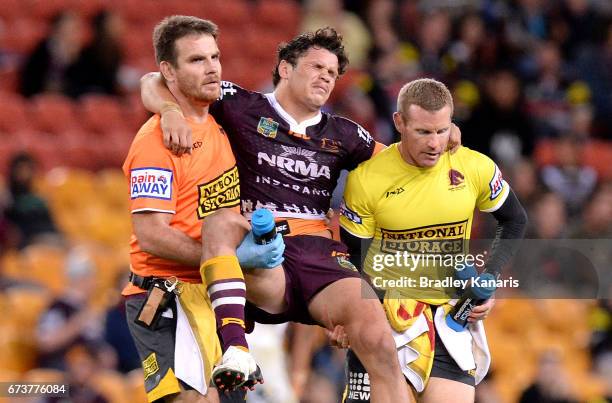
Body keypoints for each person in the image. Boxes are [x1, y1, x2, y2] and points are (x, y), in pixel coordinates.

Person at [140, 27, 466, 402]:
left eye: (333, 73)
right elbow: (154, 81)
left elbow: (404, 162)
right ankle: (235, 350)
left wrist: (438, 137)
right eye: (317, 67)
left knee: (378, 341)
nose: (326, 77)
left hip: (318, 254)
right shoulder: (239, 104)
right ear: (285, 69)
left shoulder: (346, 134)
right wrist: (168, 110)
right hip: (262, 251)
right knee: (221, 223)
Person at [123, 16, 283, 403]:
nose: (212, 67)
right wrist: (224, 260)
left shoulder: (223, 120)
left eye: (215, 56)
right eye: (196, 60)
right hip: (165, 297)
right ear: (169, 72)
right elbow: (151, 234)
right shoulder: (157, 143)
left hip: (216, 296)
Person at [338, 78, 528, 402]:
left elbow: (514, 220)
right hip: (387, 320)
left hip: (450, 319)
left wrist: (488, 280)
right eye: (423, 132)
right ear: (399, 122)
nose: (435, 143)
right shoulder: (367, 180)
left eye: (442, 131)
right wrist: (352, 315)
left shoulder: (474, 167)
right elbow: (351, 258)